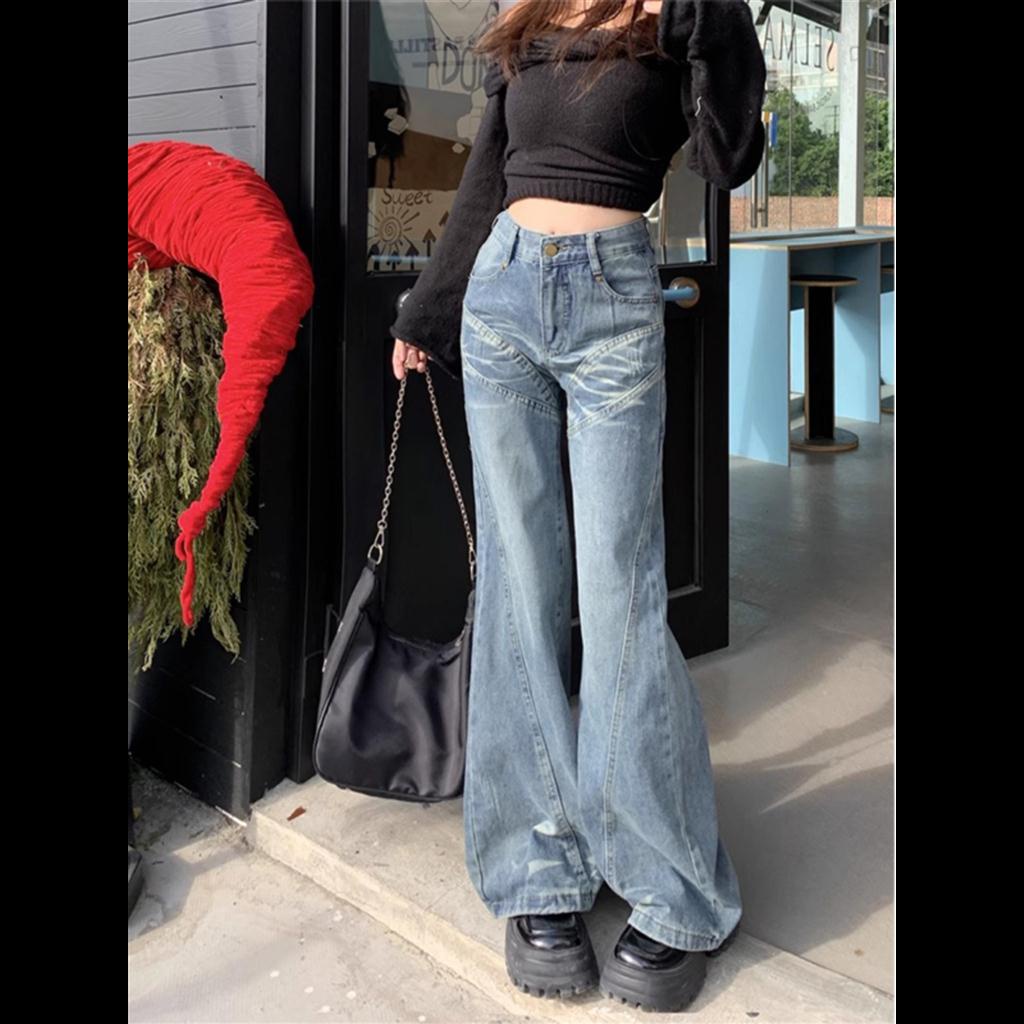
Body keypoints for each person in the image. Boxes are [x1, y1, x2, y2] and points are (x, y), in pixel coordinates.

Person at [389, 0, 766, 1013]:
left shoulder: (683, 16)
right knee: (519, 591)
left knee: (620, 596)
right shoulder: (528, 18)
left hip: (613, 299)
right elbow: (487, 174)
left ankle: (672, 887)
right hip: (501, 301)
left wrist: (705, 21)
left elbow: (729, 158)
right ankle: (537, 868)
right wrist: (429, 307)